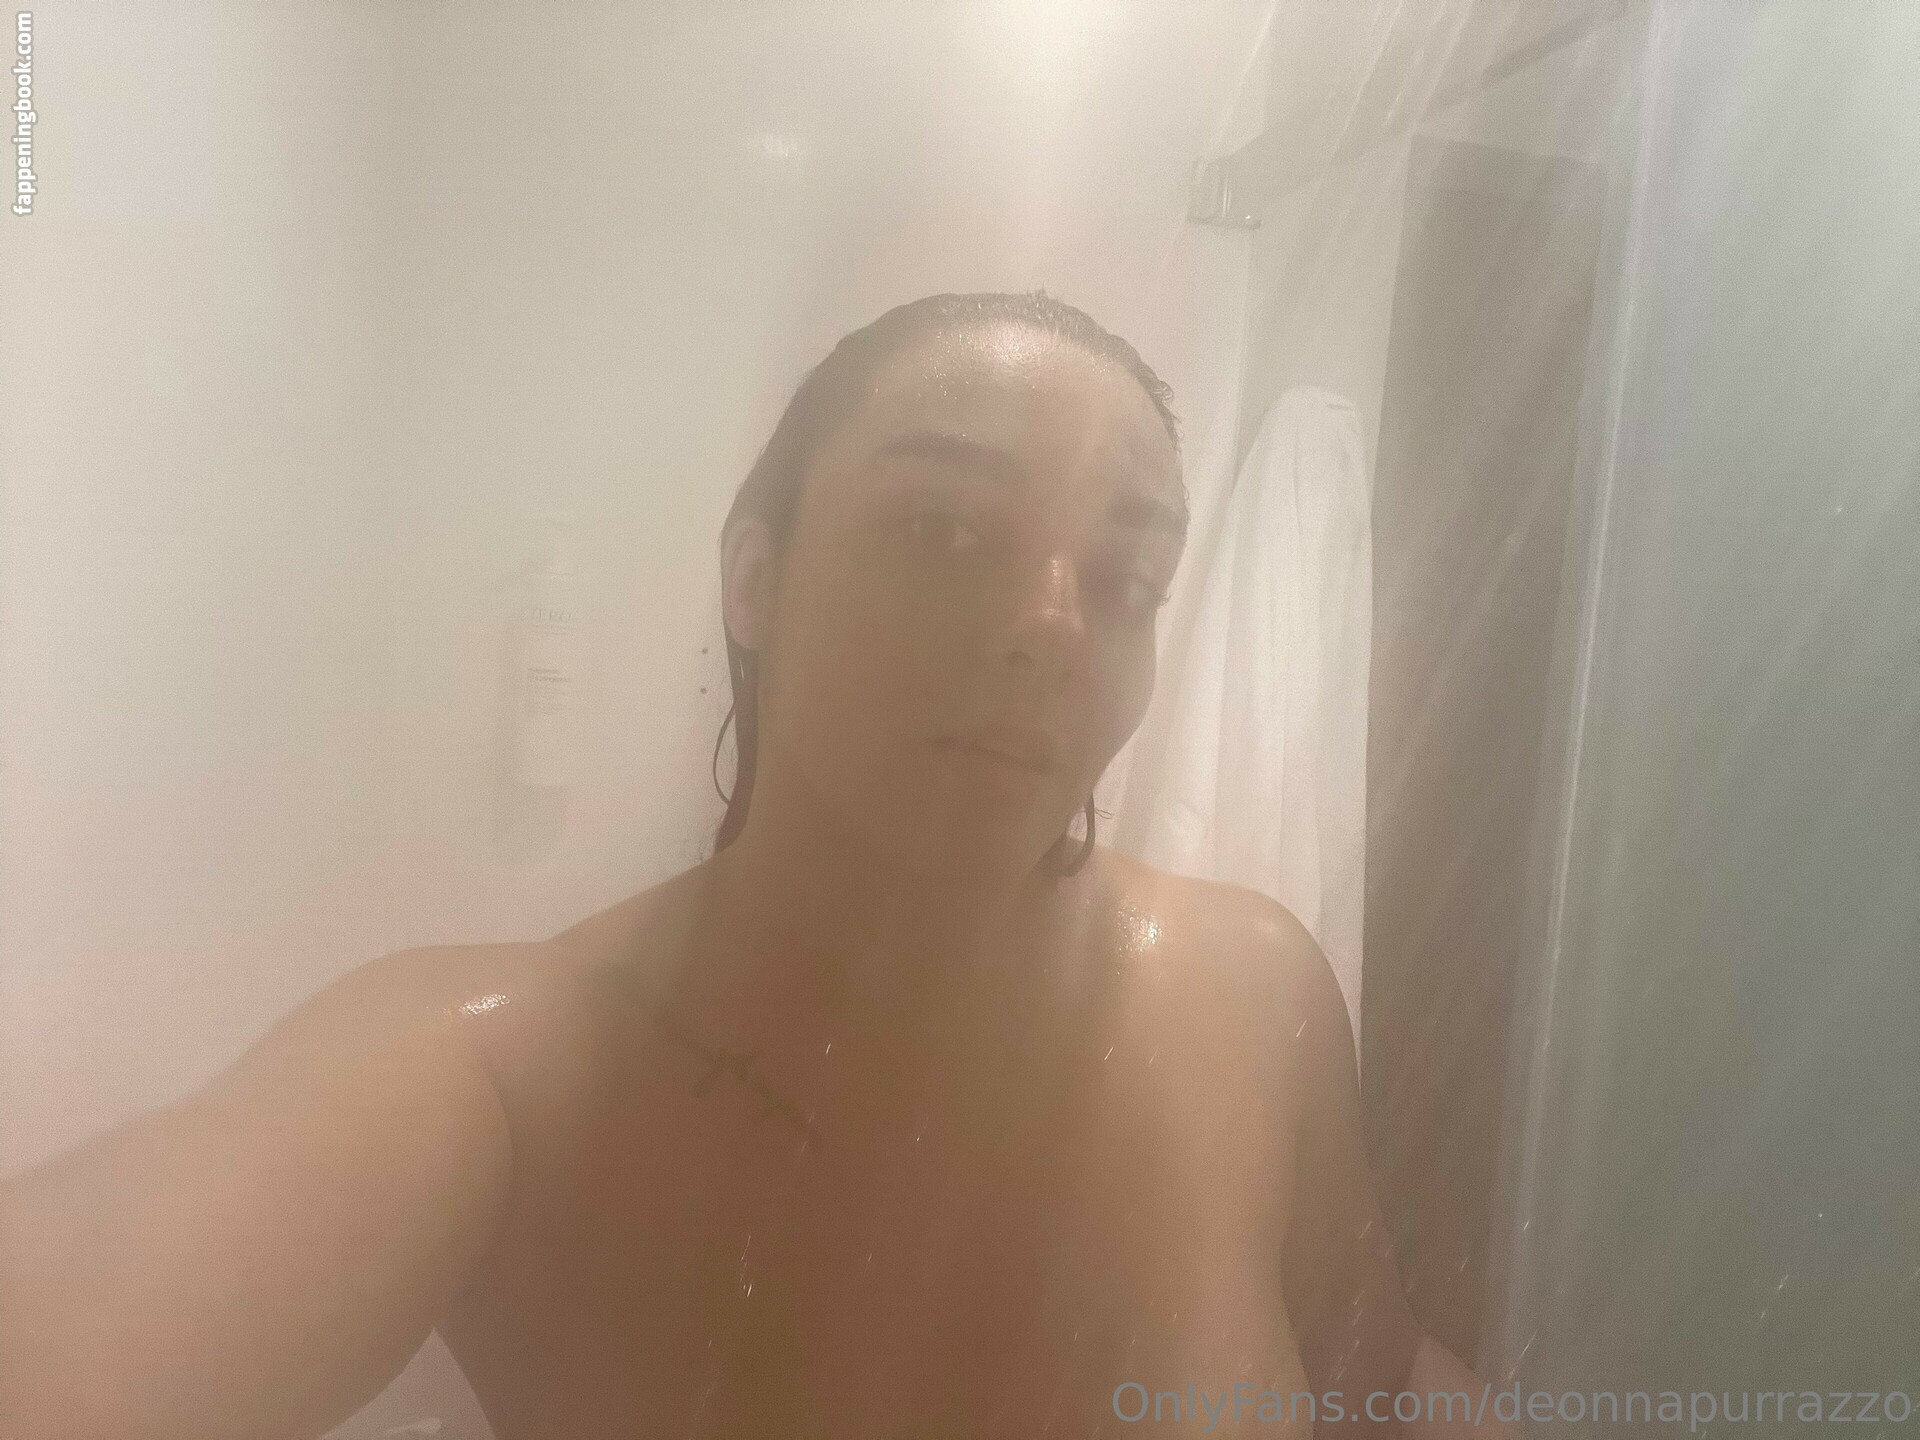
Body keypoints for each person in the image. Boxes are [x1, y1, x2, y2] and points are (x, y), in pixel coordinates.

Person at [0, 292, 1517, 1439]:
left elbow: (1377, 1378)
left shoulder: (1251, 992)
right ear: (754, 577)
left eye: (1125, 576)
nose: (1055, 625)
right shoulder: (502, 1070)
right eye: (943, 529)